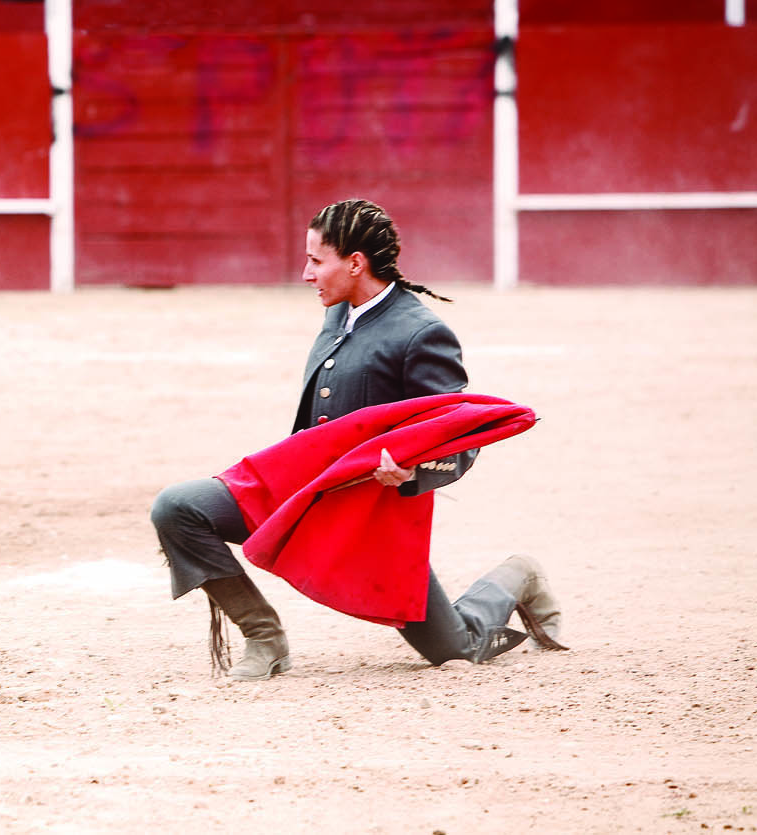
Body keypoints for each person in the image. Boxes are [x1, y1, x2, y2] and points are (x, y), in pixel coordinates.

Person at [150, 198, 565, 681]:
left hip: (373, 508)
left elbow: (460, 434)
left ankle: (519, 576)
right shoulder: (339, 313)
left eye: (315, 260)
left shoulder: (422, 333)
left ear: (354, 263)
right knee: (178, 508)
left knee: (455, 649)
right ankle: (264, 637)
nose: (306, 273)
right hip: (308, 489)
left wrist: (413, 472)